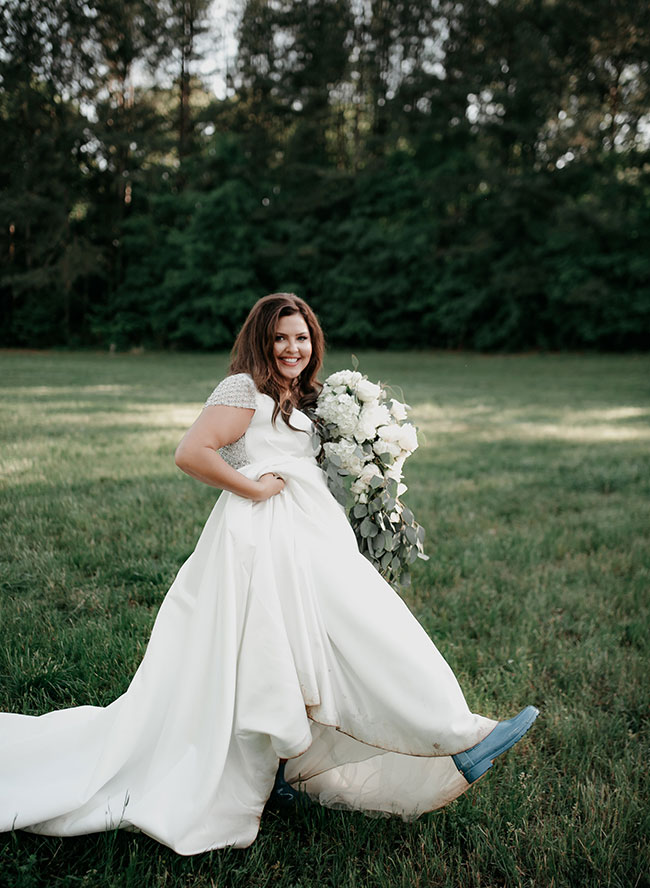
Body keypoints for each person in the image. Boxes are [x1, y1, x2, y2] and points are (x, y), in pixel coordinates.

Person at [0, 293, 538, 855]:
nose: (292, 348)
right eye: (280, 337)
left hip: (310, 537)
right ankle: (459, 734)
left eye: (301, 337)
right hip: (262, 538)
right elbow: (192, 452)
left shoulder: (306, 401)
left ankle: (293, 769)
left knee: (304, 648)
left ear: (314, 342)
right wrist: (255, 487)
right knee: (360, 628)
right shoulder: (244, 391)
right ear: (262, 340)